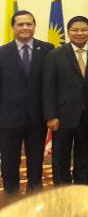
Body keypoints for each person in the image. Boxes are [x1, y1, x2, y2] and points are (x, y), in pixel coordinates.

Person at [43, 16, 88, 185]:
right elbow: (49, 88)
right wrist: (51, 115)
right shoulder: (55, 54)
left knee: (85, 156)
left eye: (84, 30)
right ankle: (62, 190)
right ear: (68, 32)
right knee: (60, 157)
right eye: (75, 30)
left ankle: (82, 188)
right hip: (62, 116)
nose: (79, 33)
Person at [0, 10, 54, 195]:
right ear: (13, 27)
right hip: (7, 117)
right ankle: (11, 193)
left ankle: (35, 192)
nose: (25, 27)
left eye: (29, 24)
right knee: (9, 159)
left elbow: (51, 84)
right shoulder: (2, 52)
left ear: (34, 26)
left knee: (36, 158)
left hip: (37, 116)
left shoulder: (47, 50)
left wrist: (50, 113)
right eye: (20, 24)